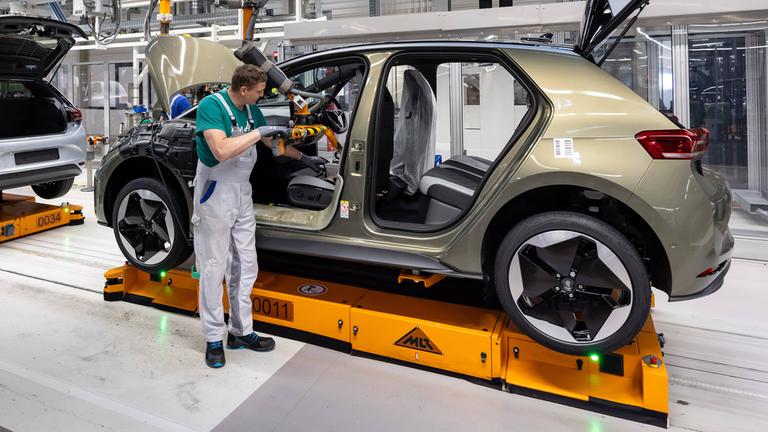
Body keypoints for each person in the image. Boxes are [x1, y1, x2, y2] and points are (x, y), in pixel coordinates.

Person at [193, 64, 325, 368]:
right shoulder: (213, 106)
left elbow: (273, 144)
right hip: (215, 192)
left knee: (245, 262)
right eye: (259, 91)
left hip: (241, 193)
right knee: (215, 266)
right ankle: (214, 337)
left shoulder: (252, 111)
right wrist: (258, 132)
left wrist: (304, 157)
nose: (263, 95)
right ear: (243, 90)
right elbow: (222, 150)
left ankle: (241, 331)